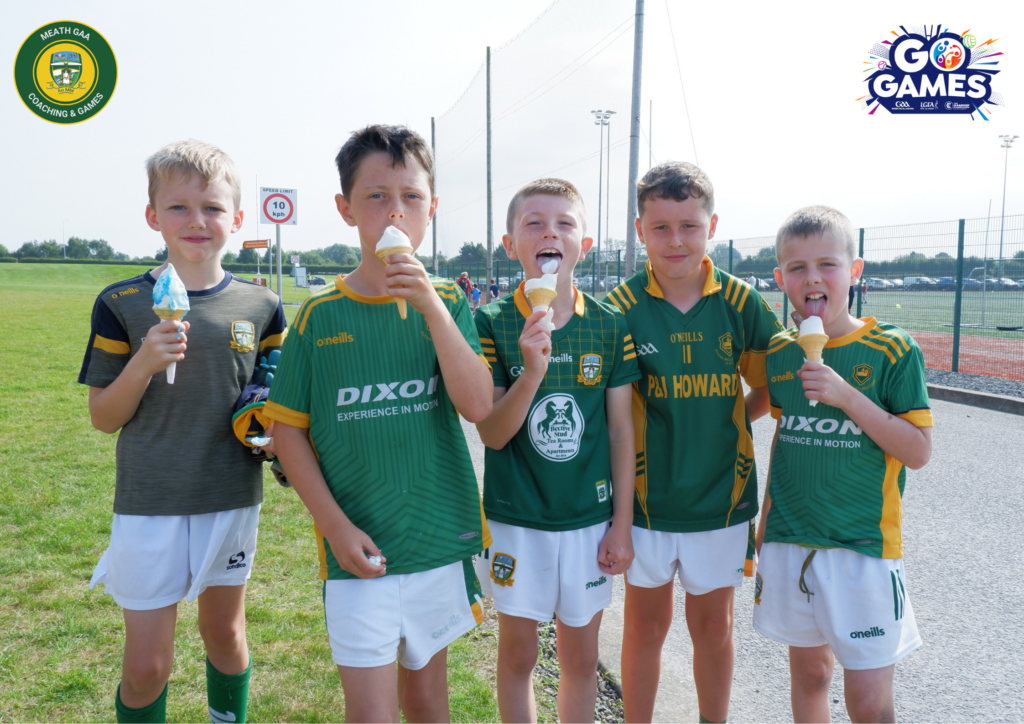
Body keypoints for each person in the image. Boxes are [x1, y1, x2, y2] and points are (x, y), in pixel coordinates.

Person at [265, 125, 494, 723]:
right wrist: (334, 526)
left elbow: (478, 406)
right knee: (369, 714)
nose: (396, 210)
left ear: (432, 210)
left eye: (412, 197)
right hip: (356, 549)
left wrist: (433, 311)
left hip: (435, 542)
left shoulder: (450, 301)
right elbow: (287, 431)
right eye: (376, 196)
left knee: (426, 702)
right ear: (345, 209)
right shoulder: (319, 315)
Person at [80, 139, 287, 724]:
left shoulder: (262, 304)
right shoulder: (122, 302)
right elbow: (104, 417)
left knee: (224, 635)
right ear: (153, 216)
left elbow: (273, 402)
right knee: (147, 665)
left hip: (229, 497)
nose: (198, 221)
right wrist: (144, 362)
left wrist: (270, 431)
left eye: (214, 208)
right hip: (150, 501)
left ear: (238, 219)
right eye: (179, 207)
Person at [606, 162, 783, 724]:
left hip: (720, 501)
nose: (676, 240)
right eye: (660, 227)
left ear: (712, 225)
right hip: (645, 505)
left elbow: (769, 388)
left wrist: (732, 417)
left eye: (689, 225)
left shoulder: (741, 301)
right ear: (639, 231)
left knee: (713, 628)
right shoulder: (619, 308)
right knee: (645, 627)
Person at [756, 205, 933, 723]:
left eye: (828, 264)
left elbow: (918, 452)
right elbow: (784, 438)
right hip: (791, 541)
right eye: (797, 267)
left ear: (854, 272)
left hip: (863, 550)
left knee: (869, 701)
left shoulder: (893, 349)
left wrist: (848, 397)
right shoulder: (781, 351)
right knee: (811, 676)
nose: (813, 278)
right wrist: (767, 522)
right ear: (781, 278)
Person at [474, 178, 641, 724]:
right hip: (516, 518)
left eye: (565, 222)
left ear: (585, 244)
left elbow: (620, 432)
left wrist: (621, 523)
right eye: (534, 223)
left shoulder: (609, 326)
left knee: (581, 657)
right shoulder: (492, 321)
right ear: (510, 244)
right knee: (519, 654)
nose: (550, 231)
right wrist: (532, 372)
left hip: (588, 521)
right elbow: (493, 434)